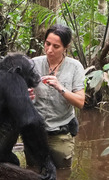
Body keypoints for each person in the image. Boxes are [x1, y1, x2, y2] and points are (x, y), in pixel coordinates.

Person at [27, 24, 85, 169]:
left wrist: (60, 88)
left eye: (56, 46)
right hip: (35, 131)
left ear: (66, 47)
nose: (50, 50)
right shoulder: (33, 64)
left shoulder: (75, 67)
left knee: (62, 176)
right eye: (47, 44)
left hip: (60, 132)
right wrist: (26, 95)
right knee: (33, 173)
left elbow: (80, 102)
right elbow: (25, 95)